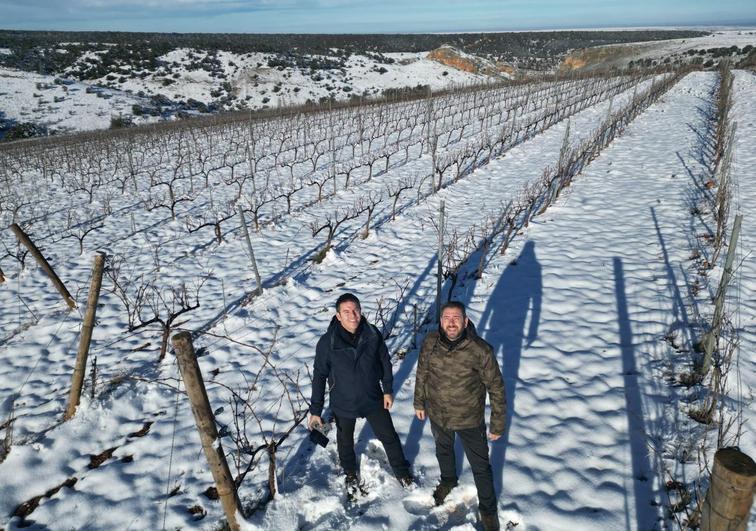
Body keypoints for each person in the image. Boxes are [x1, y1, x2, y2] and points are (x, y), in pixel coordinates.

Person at [414, 301, 506, 531]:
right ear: (441, 321)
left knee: (481, 467)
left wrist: (497, 423)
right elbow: (422, 372)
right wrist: (419, 401)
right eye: (446, 317)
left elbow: (496, 388)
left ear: (465, 321)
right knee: (443, 450)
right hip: (438, 414)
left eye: (456, 318)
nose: (451, 322)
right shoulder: (430, 342)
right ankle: (448, 480)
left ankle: (488, 511)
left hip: (469, 419)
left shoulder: (480, 350)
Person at [309, 292, 413, 497]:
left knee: (389, 437)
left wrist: (388, 389)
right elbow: (319, 376)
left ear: (360, 310)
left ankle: (402, 473)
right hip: (343, 402)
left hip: (372, 398)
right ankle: (349, 472)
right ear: (338, 316)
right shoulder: (327, 342)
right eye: (346, 311)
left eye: (355, 310)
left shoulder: (372, 333)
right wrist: (315, 410)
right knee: (345, 441)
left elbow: (385, 362)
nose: (352, 315)